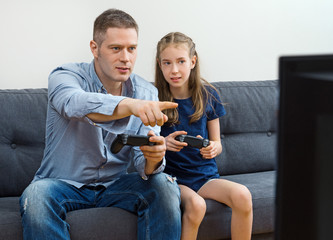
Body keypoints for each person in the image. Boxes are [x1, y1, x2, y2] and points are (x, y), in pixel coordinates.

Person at [19, 9, 182, 240]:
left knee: (164, 185)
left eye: (132, 49)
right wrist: (129, 105)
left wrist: (153, 157)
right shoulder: (65, 76)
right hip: (63, 184)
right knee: (35, 196)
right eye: (116, 48)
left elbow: (142, 166)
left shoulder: (147, 92)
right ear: (95, 48)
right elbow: (74, 104)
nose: (126, 58)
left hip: (116, 185)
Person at [155, 32, 253, 240]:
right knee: (197, 206)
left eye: (181, 61)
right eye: (167, 63)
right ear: (159, 64)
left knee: (243, 195)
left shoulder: (209, 95)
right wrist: (165, 143)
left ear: (192, 61)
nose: (174, 70)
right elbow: (148, 143)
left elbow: (217, 142)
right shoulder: (154, 98)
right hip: (172, 179)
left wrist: (213, 147)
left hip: (205, 176)